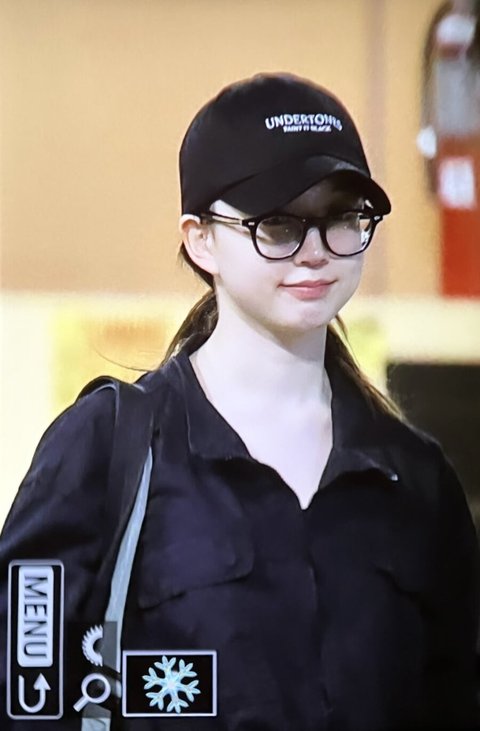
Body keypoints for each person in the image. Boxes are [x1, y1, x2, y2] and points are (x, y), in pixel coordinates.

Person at [0, 72, 479, 731]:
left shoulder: (416, 482)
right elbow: (25, 698)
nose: (315, 252)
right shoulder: (106, 451)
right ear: (200, 239)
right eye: (277, 225)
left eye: (343, 218)